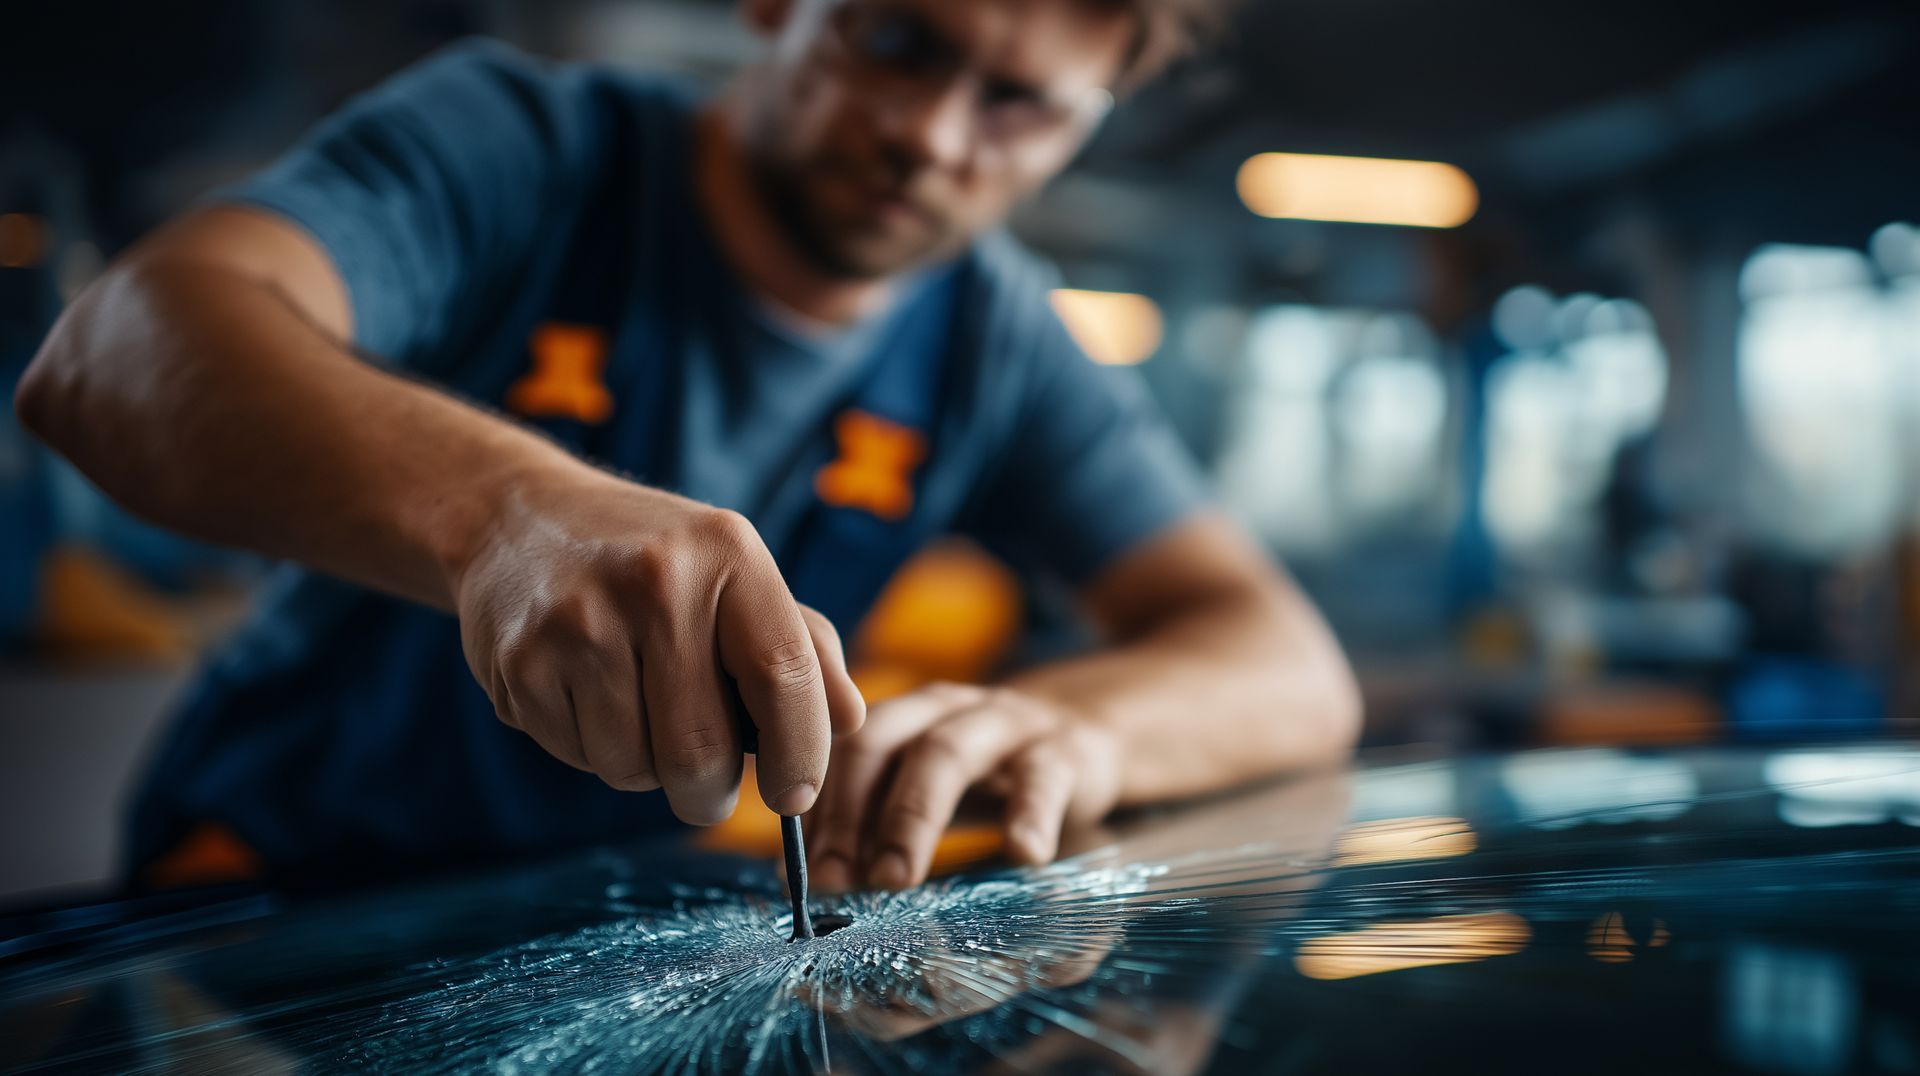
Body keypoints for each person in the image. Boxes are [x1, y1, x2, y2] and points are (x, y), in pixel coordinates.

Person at [15, 0, 1360, 892]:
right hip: (265, 905)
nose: (933, 135)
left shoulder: (994, 337)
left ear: (1096, 117)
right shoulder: (527, 151)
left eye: (1023, 104)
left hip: (581, 925)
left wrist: (1078, 731)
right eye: (894, 40)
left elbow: (1288, 667)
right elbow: (110, 355)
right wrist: (507, 516)